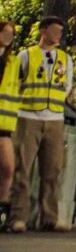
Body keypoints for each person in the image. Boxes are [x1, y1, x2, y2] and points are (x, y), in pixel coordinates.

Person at [10, 16, 73, 233]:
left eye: (61, 32)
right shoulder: (26, 55)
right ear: (43, 32)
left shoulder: (65, 59)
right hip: (28, 118)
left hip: (54, 119)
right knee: (22, 169)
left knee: (52, 171)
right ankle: (18, 217)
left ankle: (49, 218)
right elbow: (15, 83)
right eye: (55, 31)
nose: (59, 36)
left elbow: (66, 87)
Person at [0, 21, 20, 230]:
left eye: (11, 34)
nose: (8, 37)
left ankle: (3, 209)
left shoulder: (13, 62)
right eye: (5, 32)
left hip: (5, 123)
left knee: (7, 168)